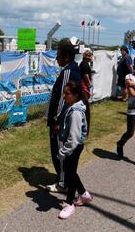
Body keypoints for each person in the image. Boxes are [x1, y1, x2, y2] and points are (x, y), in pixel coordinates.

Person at [46, 41, 81, 193]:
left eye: (58, 56)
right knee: (60, 153)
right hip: (63, 121)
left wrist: (56, 120)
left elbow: (63, 99)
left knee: (59, 153)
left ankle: (62, 183)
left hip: (60, 123)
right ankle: (63, 180)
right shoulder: (71, 69)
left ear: (66, 57)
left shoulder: (68, 71)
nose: (56, 59)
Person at [57, 81, 92, 219]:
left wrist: (62, 152)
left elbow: (74, 137)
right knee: (70, 171)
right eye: (64, 93)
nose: (64, 96)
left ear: (76, 95)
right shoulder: (73, 108)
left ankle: (69, 203)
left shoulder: (76, 112)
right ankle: (83, 194)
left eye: (67, 94)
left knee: (70, 174)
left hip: (73, 147)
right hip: (73, 147)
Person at [79, 50, 94, 135]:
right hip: (84, 85)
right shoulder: (84, 64)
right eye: (88, 56)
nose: (90, 57)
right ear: (85, 56)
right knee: (84, 103)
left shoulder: (85, 63)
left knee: (85, 101)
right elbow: (85, 75)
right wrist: (89, 83)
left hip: (85, 85)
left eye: (90, 56)